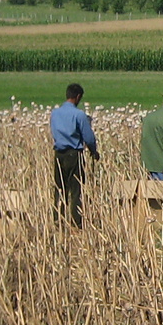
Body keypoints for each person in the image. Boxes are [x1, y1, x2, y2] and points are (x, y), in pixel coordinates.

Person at [50, 83, 99, 227]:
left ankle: (58, 221)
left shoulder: (55, 113)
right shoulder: (79, 115)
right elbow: (88, 137)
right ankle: (76, 223)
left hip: (59, 154)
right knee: (76, 190)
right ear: (78, 97)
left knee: (60, 189)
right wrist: (93, 151)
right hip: (74, 154)